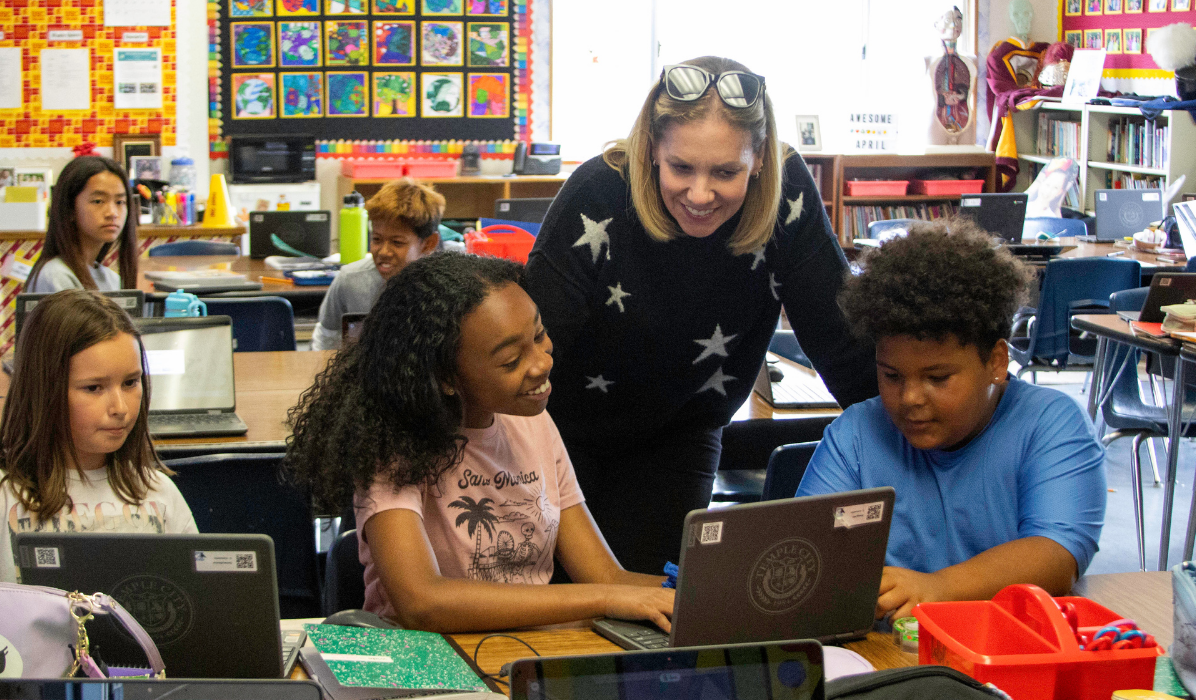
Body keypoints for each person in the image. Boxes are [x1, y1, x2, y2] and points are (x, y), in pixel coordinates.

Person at [524, 56, 877, 575]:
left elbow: (845, 346)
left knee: (654, 597)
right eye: (681, 168)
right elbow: (526, 348)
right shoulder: (598, 190)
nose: (700, 194)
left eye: (726, 172)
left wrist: (922, 442)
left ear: (759, 159)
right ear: (651, 148)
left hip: (680, 433)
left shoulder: (788, 194)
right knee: (554, 593)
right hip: (558, 429)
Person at [285, 252, 673, 632]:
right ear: (445, 377)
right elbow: (422, 603)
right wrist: (604, 599)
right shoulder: (394, 445)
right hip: (428, 658)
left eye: (539, 335)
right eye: (511, 360)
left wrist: (693, 592)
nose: (542, 363)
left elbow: (606, 576)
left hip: (527, 650)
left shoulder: (534, 421)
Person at [795, 220, 1106, 621]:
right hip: (886, 650)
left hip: (1008, 648)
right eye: (891, 375)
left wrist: (937, 587)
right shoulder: (856, 434)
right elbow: (805, 550)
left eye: (938, 378)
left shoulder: (1051, 424)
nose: (910, 398)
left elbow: (1057, 555)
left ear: (996, 361)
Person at [0, 290, 197, 585]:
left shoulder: (157, 491)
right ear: (44, 391)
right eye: (93, 388)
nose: (120, 408)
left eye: (130, 383)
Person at [311, 178, 444, 350]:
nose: (383, 252)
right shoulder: (349, 280)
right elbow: (324, 342)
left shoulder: (446, 288)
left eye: (397, 242)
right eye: (376, 239)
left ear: (428, 244)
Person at [25, 156, 139, 294]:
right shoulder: (56, 276)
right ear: (70, 209)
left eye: (120, 202)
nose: (112, 213)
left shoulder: (112, 279)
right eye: (98, 201)